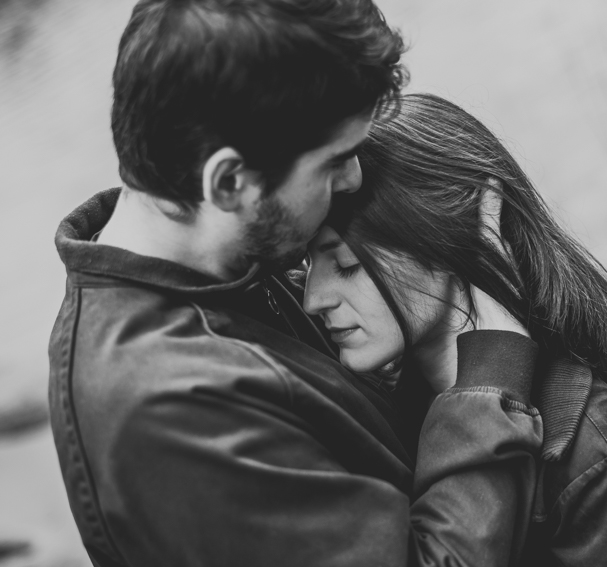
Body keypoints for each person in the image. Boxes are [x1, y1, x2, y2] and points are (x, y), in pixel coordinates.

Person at [48, 2, 545, 566]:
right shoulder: (166, 411)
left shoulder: (236, 260)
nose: (354, 177)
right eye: (333, 161)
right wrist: (495, 363)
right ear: (230, 182)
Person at [303, 93, 607, 566]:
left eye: (346, 265)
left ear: (444, 243)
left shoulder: (589, 453)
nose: (313, 298)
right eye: (307, 262)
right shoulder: (384, 414)